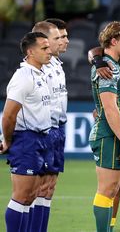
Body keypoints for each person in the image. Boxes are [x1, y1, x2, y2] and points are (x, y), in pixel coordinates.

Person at [2, 31, 52, 232]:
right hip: (26, 138)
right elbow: (8, 115)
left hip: (41, 138)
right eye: (44, 48)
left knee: (32, 195)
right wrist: (7, 141)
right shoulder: (23, 76)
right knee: (21, 196)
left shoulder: (40, 74)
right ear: (30, 52)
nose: (49, 51)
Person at [88, 21, 120, 232]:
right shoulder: (106, 69)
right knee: (107, 189)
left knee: (113, 189)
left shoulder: (113, 65)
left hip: (112, 134)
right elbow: (110, 108)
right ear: (113, 41)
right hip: (108, 135)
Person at [31, 20, 64, 232]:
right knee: (37, 188)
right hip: (43, 131)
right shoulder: (37, 69)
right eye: (59, 38)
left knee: (49, 187)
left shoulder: (56, 65)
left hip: (58, 129)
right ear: (44, 41)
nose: (64, 41)